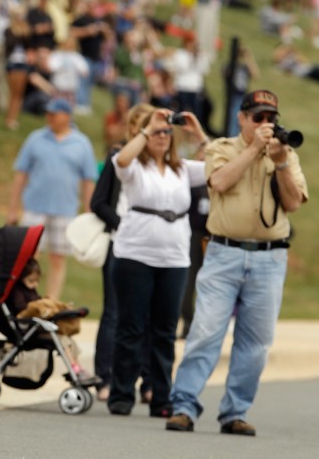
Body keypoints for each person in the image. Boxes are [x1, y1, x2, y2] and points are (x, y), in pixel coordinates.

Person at [167, 90, 308, 436]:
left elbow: (292, 203)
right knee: (205, 332)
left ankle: (235, 412)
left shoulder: (284, 153)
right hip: (224, 254)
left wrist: (280, 163)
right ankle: (183, 406)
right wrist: (253, 150)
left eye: (270, 118)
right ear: (242, 119)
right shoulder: (220, 148)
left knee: (256, 343)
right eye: (257, 117)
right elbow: (219, 181)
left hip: (270, 258)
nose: (265, 124)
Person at [108, 107, 209, 418]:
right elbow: (122, 161)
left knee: (164, 330)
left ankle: (162, 397)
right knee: (131, 326)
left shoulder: (182, 170)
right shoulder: (134, 167)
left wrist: (199, 134)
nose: (162, 137)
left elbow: (218, 163)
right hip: (135, 254)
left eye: (167, 132)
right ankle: (122, 394)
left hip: (174, 256)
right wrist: (147, 128)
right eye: (157, 133)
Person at [90, 103, 154, 401]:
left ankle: (149, 380)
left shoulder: (165, 165)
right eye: (140, 125)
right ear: (131, 129)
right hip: (122, 244)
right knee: (115, 312)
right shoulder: (118, 158)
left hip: (155, 249)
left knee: (150, 315)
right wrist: (126, 226)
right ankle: (105, 376)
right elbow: (98, 203)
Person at [6, 98, 97, 300]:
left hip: (65, 209)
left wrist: (89, 211)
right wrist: (13, 208)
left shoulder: (81, 143)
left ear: (67, 116)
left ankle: (51, 302)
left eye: (54, 114)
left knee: (58, 258)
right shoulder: (35, 138)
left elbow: (88, 180)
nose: (49, 118)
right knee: (29, 258)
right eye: (48, 114)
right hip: (34, 207)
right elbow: (20, 174)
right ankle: (27, 299)